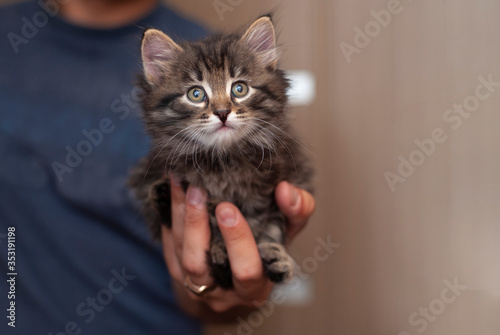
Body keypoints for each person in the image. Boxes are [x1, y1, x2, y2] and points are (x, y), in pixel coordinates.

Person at [0, 0, 315, 334]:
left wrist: (216, 288)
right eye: (198, 94)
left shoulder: (206, 46)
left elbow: (223, 305)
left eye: (238, 89)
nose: (223, 108)